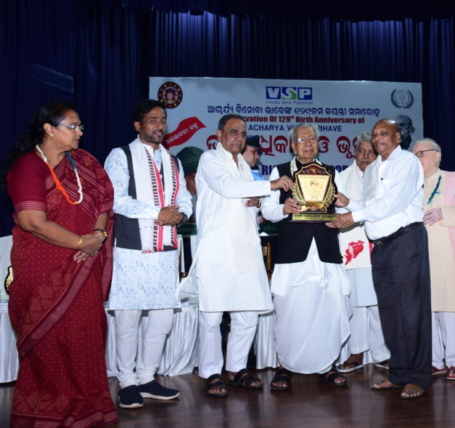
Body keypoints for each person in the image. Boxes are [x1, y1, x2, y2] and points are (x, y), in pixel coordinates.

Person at [1, 102, 118, 426]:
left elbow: (104, 202)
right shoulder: (28, 166)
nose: (80, 132)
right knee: (50, 344)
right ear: (49, 129)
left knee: (85, 338)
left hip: (84, 268)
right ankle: (47, 416)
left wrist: (96, 236)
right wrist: (82, 243)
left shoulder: (85, 163)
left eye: (81, 126)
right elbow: (32, 222)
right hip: (42, 270)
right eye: (73, 126)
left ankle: (88, 413)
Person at [329, 118, 431, 399]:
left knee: (412, 312)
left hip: (406, 241)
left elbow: (393, 204)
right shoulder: (373, 168)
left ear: (398, 137)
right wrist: (348, 204)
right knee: (390, 313)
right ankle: (398, 373)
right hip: (381, 247)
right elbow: (370, 207)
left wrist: (353, 216)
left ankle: (418, 377)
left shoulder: (407, 162)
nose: (378, 139)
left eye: (384, 133)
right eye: (375, 134)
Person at [193, 114, 293, 397]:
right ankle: (211, 372)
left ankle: (237, 368)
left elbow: (250, 203)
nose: (239, 137)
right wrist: (270, 186)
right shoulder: (209, 159)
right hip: (217, 249)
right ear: (219, 135)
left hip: (246, 247)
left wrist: (260, 202)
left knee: (247, 314)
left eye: (242, 133)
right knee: (212, 317)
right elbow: (227, 187)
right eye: (233, 132)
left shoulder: (244, 166)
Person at [104, 99, 193, 409]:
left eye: (163, 120)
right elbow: (116, 199)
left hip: (166, 250)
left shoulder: (173, 161)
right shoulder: (121, 155)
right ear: (138, 125)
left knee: (162, 318)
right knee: (127, 318)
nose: (160, 125)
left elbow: (185, 198)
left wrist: (181, 214)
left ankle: (146, 377)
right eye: (153, 120)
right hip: (132, 248)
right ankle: (127, 381)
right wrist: (158, 212)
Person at [261, 123, 350, 390]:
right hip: (293, 251)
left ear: (319, 143)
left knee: (327, 308)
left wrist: (344, 206)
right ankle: (285, 365)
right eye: (302, 140)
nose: (308, 144)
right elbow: (267, 211)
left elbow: (344, 207)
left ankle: (326, 365)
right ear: (292, 145)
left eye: (312, 139)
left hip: (325, 250)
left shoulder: (331, 172)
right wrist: (284, 207)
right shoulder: (280, 171)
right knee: (289, 310)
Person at [412, 138, 455, 381]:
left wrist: (443, 212)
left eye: (421, 153)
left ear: (437, 155)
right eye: (414, 155)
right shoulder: (410, 184)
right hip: (417, 255)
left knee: (449, 308)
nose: (417, 158)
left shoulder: (454, 179)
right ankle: (434, 361)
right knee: (426, 310)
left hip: (447, 253)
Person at [336, 132, 391, 374]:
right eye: (361, 151)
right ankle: (356, 352)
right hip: (353, 247)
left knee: (380, 302)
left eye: (371, 152)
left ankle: (382, 353)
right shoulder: (341, 179)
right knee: (356, 303)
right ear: (354, 153)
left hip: (381, 245)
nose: (366, 156)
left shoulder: (385, 176)